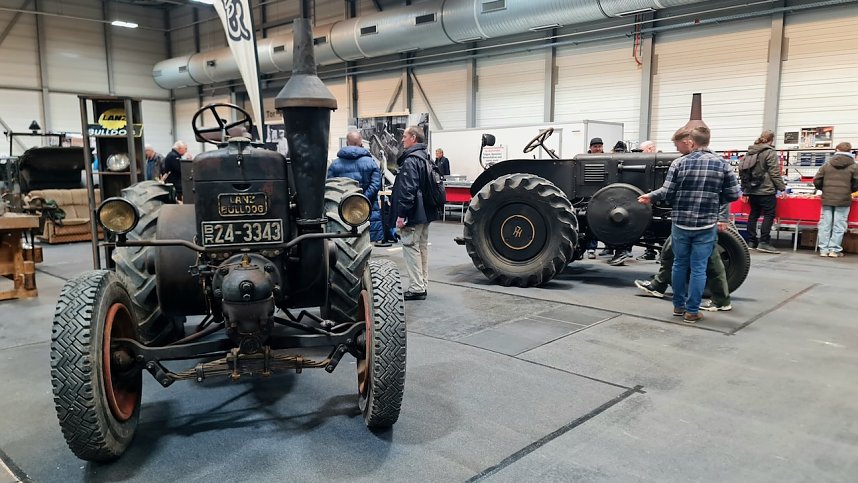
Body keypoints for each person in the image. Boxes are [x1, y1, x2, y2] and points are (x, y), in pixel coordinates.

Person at [638, 127, 740, 323]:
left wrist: (649, 196)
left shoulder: (679, 163)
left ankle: (678, 307)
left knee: (679, 264)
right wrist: (715, 200)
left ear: (691, 142)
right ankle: (692, 312)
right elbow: (734, 194)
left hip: (681, 223)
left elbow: (667, 192)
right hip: (706, 225)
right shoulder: (722, 164)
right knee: (699, 268)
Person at [389, 126, 438, 300]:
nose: (402, 139)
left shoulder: (411, 161)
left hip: (413, 214)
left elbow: (408, 190)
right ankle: (422, 284)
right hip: (425, 213)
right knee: (421, 247)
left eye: (404, 136)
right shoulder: (425, 158)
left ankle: (417, 288)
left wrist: (402, 215)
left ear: (413, 138)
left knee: (410, 247)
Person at [327, 132, 385, 245]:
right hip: (367, 209)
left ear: (347, 143)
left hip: (343, 211)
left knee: (343, 241)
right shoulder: (370, 163)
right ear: (361, 143)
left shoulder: (335, 164)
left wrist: (346, 202)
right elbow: (376, 184)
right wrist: (362, 200)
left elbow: (330, 187)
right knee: (366, 242)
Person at [740, 130, 786, 254]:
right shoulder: (769, 152)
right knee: (769, 215)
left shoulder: (750, 152)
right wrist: (782, 188)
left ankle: (751, 241)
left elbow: (745, 172)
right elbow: (774, 172)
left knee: (753, 214)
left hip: (751, 190)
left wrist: (745, 190)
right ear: (772, 140)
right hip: (766, 190)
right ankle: (764, 242)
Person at [814, 141, 858, 257]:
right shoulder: (854, 166)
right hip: (844, 199)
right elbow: (856, 183)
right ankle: (834, 250)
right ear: (849, 151)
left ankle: (823, 250)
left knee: (825, 224)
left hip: (827, 198)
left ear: (837, 150)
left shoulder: (827, 164)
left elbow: (817, 180)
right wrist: (849, 190)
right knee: (839, 225)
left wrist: (824, 189)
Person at [586, 137, 605, 258]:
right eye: (595, 146)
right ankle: (591, 248)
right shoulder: (585, 159)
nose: (598, 149)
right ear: (590, 148)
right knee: (591, 222)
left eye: (600, 146)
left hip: (604, 194)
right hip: (589, 195)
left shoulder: (607, 158)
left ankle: (609, 248)